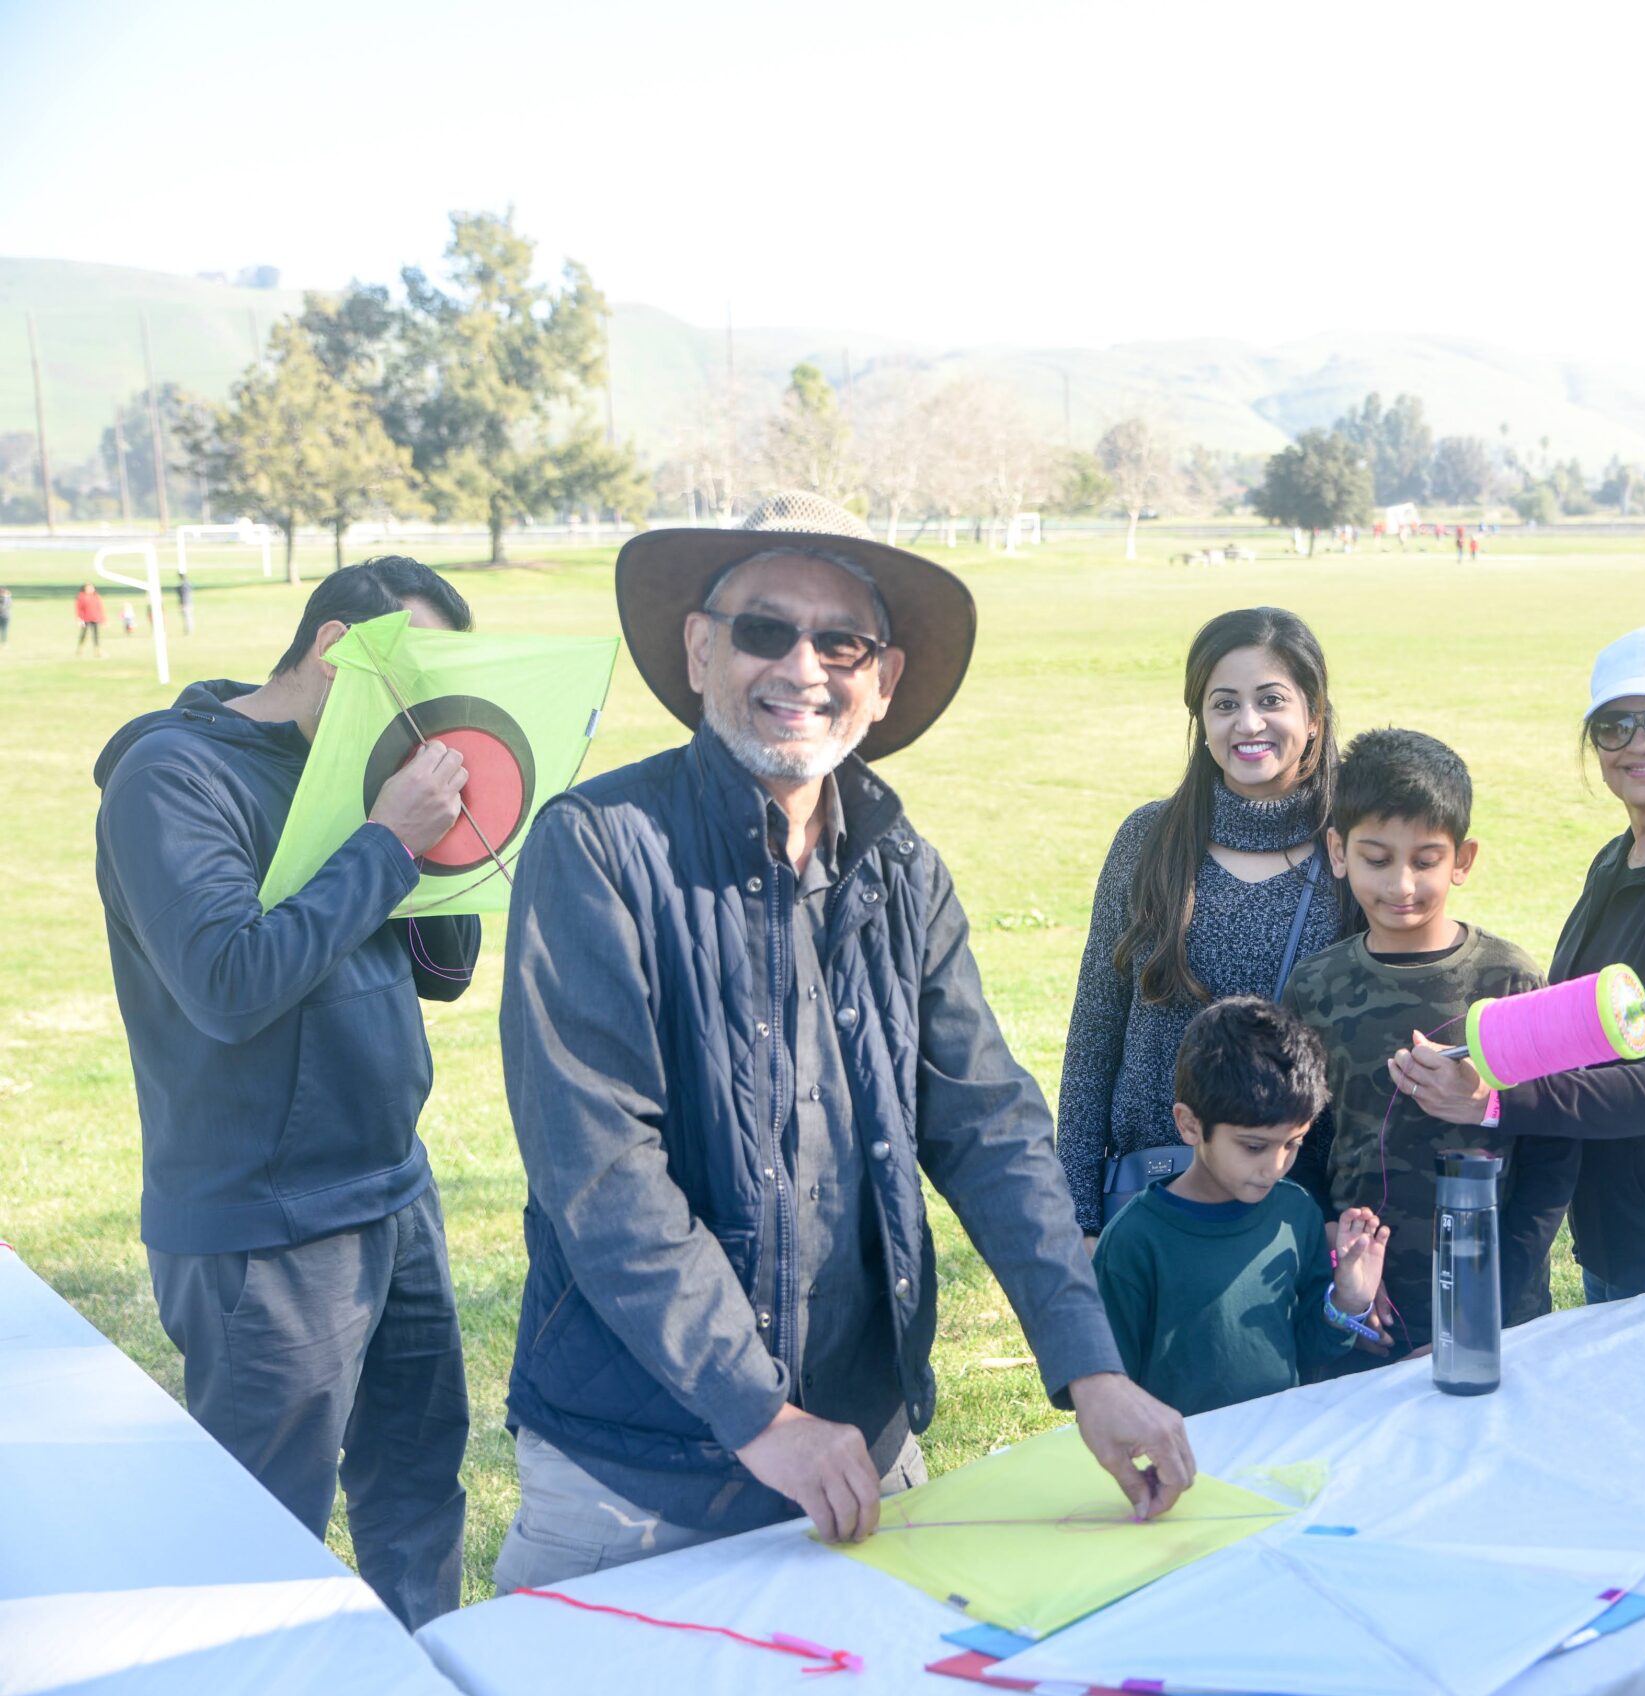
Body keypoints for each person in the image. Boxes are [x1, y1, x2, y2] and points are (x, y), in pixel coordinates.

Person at [497, 491, 1191, 1591]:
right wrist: (758, 1410)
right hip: (637, 1479)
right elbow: (599, 1171)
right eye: (763, 629)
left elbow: (988, 1127)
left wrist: (1090, 1363)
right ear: (697, 649)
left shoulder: (901, 867)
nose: (801, 666)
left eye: (840, 640)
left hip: (861, 1456)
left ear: (885, 677)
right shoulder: (598, 850)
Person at [92, 557, 482, 1629]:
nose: (428, 703)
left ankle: (425, 1678)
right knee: (262, 1537)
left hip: (392, 1190)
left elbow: (445, 975)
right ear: (333, 652)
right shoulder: (171, 776)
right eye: (414, 673)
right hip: (262, 1225)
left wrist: (443, 836)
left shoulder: (361, 768)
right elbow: (229, 980)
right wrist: (387, 839)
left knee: (416, 1490)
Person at [1389, 622, 1645, 1301]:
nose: (1639, 744)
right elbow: (1578, 1025)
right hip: (1619, 1234)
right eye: (1615, 726)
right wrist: (1467, 1044)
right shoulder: (1621, 856)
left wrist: (1491, 1099)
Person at [1056, 607, 1347, 1240]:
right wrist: (1077, 1219)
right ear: (1201, 719)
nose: (1248, 724)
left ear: (1314, 714)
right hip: (1149, 1203)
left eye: (1271, 700)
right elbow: (1093, 1038)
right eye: (1224, 704)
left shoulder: (1350, 852)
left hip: (1293, 1212)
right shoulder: (1149, 839)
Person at [1282, 728, 1574, 1344]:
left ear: (1462, 860)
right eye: (1377, 858)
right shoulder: (1314, 988)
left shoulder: (1510, 980)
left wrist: (1502, 1281)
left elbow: (1554, 1152)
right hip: (1363, 1301)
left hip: (1496, 1304)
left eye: (1425, 860)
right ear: (1337, 852)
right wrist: (1340, 1258)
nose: (1401, 886)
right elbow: (1298, 1144)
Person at [1093, 997, 1387, 1415]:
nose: (1275, 1167)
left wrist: (1347, 1300)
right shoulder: (1132, 1242)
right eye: (1253, 1146)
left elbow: (1309, 1350)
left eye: (1293, 1144)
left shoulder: (1297, 1214)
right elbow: (1103, 1389)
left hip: (1276, 1454)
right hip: (1182, 1465)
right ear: (1190, 1124)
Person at [74, 581, 104, 654]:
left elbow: (100, 608)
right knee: (83, 634)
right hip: (85, 619)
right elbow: (78, 608)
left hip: (95, 618)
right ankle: (80, 649)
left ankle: (97, 650)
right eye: (88, 588)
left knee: (96, 635)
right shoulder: (81, 596)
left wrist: (103, 619)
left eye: (92, 588)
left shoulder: (96, 596)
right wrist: (79, 618)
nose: (91, 589)